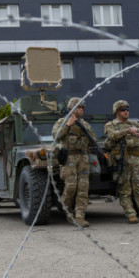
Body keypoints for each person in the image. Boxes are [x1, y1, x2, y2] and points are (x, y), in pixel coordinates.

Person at [104, 100, 139, 224]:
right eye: (123, 109)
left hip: (136, 158)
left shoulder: (134, 123)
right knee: (124, 188)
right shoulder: (111, 124)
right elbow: (112, 136)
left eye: (127, 109)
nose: (126, 111)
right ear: (117, 112)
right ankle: (131, 214)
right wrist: (128, 131)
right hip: (121, 159)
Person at [52, 97, 96, 227]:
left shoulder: (85, 123)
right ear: (71, 108)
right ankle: (68, 211)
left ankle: (80, 216)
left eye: (82, 108)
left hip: (83, 158)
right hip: (69, 158)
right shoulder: (62, 121)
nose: (81, 110)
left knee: (83, 187)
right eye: (79, 108)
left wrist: (84, 130)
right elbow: (56, 136)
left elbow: (93, 139)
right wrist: (68, 125)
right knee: (71, 187)